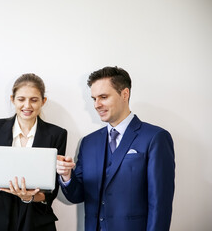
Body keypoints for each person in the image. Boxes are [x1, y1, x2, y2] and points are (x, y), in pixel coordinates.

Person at [56, 66, 175, 231]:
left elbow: (160, 204)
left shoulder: (155, 137)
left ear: (124, 94)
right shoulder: (88, 142)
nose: (97, 105)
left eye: (103, 97)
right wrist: (67, 176)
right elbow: (76, 196)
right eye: (94, 98)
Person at [0, 73, 67, 231]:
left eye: (34, 100)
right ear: (12, 99)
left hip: (37, 219)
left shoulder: (57, 134)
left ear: (43, 101)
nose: (27, 106)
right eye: (21, 99)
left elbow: (52, 190)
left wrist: (30, 197)